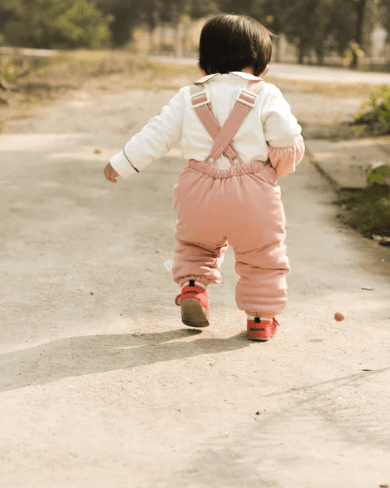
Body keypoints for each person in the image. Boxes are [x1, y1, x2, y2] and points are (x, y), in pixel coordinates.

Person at [104, 14, 304, 341]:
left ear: (201, 66)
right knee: (263, 256)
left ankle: (194, 289)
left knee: (196, 246)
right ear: (262, 68)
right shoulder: (266, 94)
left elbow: (156, 134)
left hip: (198, 188)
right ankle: (260, 318)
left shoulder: (188, 96)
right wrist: (286, 152)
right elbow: (284, 135)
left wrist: (122, 162)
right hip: (252, 193)